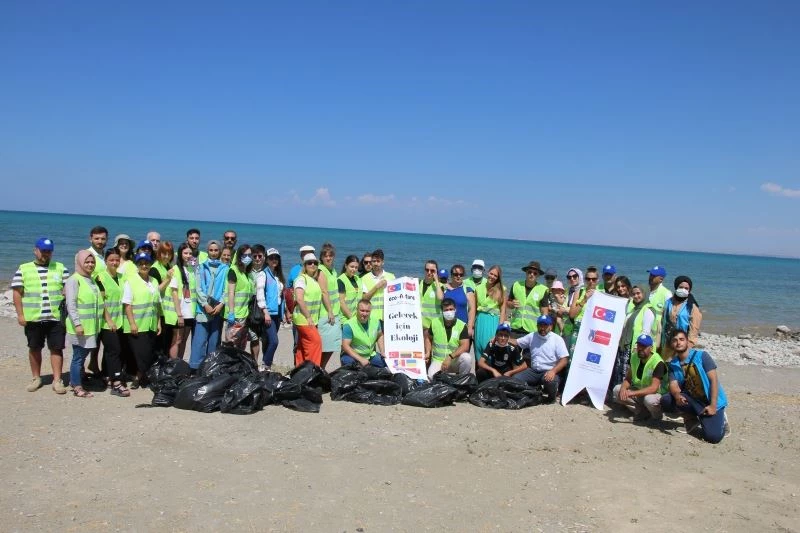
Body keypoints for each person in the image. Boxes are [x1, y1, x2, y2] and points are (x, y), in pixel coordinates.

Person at [12, 237, 68, 394]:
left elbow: (67, 290)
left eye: (49, 251)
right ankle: (36, 378)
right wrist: (20, 315)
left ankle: (57, 380)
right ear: (35, 250)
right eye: (43, 251)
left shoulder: (60, 268)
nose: (46, 254)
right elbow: (17, 293)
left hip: (56, 318)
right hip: (33, 318)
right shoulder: (24, 268)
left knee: (56, 348)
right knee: (34, 348)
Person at [661, 331, 730, 443]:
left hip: (710, 401)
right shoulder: (673, 364)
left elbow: (714, 381)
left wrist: (713, 406)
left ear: (687, 341)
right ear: (672, 344)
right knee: (666, 401)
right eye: (675, 340)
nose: (678, 342)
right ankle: (691, 419)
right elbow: (673, 384)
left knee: (713, 437)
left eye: (681, 339)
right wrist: (677, 396)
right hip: (692, 399)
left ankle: (722, 420)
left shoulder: (702, 356)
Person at [65, 250, 103, 398]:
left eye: (92, 262)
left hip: (91, 326)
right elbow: (71, 304)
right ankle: (76, 385)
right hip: (80, 327)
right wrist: (77, 324)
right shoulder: (74, 280)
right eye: (87, 262)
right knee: (78, 357)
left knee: (83, 355)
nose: (90, 265)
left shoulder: (90, 279)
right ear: (80, 263)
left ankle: (79, 379)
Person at [122, 251, 161, 387]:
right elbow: (127, 305)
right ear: (137, 265)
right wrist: (132, 323)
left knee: (149, 353)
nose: (144, 266)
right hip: (137, 324)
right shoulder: (131, 281)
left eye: (147, 263)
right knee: (141, 354)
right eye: (141, 264)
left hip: (151, 324)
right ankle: (138, 377)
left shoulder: (154, 281)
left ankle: (142, 377)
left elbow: (157, 304)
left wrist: (158, 323)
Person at [94, 248, 130, 396]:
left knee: (113, 350)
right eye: (111, 260)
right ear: (105, 261)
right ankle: (116, 382)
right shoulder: (100, 278)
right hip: (106, 322)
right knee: (114, 350)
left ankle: (106, 375)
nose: (114, 263)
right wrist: (108, 320)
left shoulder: (122, 277)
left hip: (121, 321)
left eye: (117, 260)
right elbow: (100, 301)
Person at [510, 315, 569, 403]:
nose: (542, 328)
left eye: (545, 325)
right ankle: (534, 390)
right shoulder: (532, 336)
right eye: (540, 325)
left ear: (550, 326)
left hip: (548, 371)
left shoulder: (557, 339)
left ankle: (551, 398)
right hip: (533, 371)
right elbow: (517, 342)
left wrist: (553, 371)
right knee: (515, 379)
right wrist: (500, 339)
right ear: (537, 326)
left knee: (550, 381)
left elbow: (564, 360)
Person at [189, 241, 228, 371]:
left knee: (214, 340)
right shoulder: (200, 267)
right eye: (211, 250)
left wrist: (221, 304)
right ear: (207, 251)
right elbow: (198, 288)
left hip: (217, 308)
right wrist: (205, 304)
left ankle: (211, 367)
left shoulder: (225, 268)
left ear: (219, 251)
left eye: (216, 250)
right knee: (199, 341)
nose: (213, 253)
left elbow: (226, 289)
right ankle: (195, 368)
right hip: (203, 309)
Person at [613, 281, 657, 391]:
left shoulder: (648, 310)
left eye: (638, 293)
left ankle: (625, 395)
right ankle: (618, 394)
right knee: (620, 372)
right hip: (625, 346)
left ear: (644, 293)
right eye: (633, 294)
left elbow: (645, 332)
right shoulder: (634, 309)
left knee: (628, 374)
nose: (636, 296)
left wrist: (638, 349)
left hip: (635, 348)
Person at [612, 334, 667, 421]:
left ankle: (657, 417)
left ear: (651, 348)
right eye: (639, 345)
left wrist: (631, 393)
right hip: (640, 390)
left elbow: (654, 388)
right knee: (617, 390)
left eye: (644, 346)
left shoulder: (658, 362)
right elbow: (628, 378)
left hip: (656, 394)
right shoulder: (634, 357)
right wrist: (623, 389)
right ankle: (641, 412)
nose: (640, 348)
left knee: (649, 400)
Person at [255, 246, 286, 371]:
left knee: (268, 341)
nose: (274, 260)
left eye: (276, 258)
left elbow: (281, 296)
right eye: (271, 258)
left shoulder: (278, 275)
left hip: (277, 313)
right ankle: (265, 365)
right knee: (274, 341)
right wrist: (265, 312)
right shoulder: (263, 274)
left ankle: (267, 366)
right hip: (268, 313)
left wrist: (285, 312)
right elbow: (260, 294)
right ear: (267, 260)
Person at [424, 298, 472, 378]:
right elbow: (428, 338)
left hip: (454, 360)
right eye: (446, 310)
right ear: (442, 311)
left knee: (467, 358)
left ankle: (462, 380)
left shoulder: (462, 325)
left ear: (455, 310)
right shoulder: (435, 323)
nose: (449, 312)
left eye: (451, 309)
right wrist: (428, 352)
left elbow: (465, 346)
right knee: (431, 377)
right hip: (438, 361)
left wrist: (450, 357)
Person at [661, 275, 702, 360]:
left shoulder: (691, 307)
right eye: (681, 287)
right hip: (668, 342)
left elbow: (694, 329)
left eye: (686, 288)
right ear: (676, 287)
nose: (683, 290)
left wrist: (689, 345)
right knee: (665, 364)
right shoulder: (668, 302)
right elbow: (663, 321)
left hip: (682, 344)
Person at [293, 253, 323, 366]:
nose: (313, 265)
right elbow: (299, 299)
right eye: (309, 263)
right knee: (315, 343)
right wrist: (308, 316)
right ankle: (312, 370)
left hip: (311, 320)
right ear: (305, 265)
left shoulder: (313, 280)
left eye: (315, 263)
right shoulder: (301, 279)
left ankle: (299, 369)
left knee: (302, 347)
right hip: (304, 319)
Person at [316, 242, 342, 369]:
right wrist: (330, 311)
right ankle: (320, 368)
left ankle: (321, 368)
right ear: (321, 257)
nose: (328, 258)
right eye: (325, 256)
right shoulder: (321, 270)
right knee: (326, 346)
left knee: (332, 345)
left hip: (336, 312)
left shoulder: (333, 271)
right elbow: (324, 292)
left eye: (330, 256)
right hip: (326, 313)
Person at [508, 261, 550, 338]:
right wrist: (511, 304)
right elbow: (508, 303)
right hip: (515, 328)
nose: (532, 274)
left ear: (538, 275)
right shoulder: (516, 285)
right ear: (526, 272)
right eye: (529, 272)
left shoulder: (543, 290)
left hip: (532, 331)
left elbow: (544, 312)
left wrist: (544, 329)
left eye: (535, 273)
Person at [340, 299, 386, 367]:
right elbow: (345, 346)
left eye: (367, 311)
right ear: (357, 310)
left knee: (386, 363)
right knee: (349, 364)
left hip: (370, 355)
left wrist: (382, 351)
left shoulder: (376, 321)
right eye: (362, 310)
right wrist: (361, 359)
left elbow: (380, 335)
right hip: (352, 356)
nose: (365, 314)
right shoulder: (349, 325)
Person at [473, 265, 506, 358]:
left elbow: (503, 311)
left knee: (490, 348)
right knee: (478, 347)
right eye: (491, 273)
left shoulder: (502, 289)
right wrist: (472, 325)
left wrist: (500, 330)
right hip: (480, 321)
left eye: (495, 276)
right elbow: (474, 309)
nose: (492, 277)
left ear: (498, 278)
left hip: (492, 321)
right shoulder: (478, 288)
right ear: (488, 272)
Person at [225, 244, 254, 351]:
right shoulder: (233, 270)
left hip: (245, 314)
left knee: (241, 344)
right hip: (236, 315)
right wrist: (231, 312)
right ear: (239, 256)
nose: (247, 258)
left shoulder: (247, 273)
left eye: (249, 255)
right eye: (244, 255)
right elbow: (230, 292)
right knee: (232, 342)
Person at [170, 243, 197, 359]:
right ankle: (173, 364)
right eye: (185, 253)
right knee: (177, 340)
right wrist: (179, 314)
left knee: (184, 340)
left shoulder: (191, 269)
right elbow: (174, 293)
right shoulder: (175, 269)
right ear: (180, 254)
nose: (188, 255)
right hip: (180, 311)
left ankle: (180, 363)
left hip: (190, 311)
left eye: (190, 253)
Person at [151, 241, 178, 355]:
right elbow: (154, 291)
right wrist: (167, 279)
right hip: (159, 312)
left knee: (167, 342)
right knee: (159, 344)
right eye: (164, 253)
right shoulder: (155, 268)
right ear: (159, 253)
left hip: (167, 311)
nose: (166, 256)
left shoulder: (168, 266)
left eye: (169, 254)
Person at [567, 266, 599, 355]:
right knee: (573, 356)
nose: (591, 281)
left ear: (598, 280)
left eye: (594, 279)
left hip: (592, 329)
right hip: (578, 328)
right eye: (588, 279)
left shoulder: (601, 294)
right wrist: (584, 299)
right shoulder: (579, 292)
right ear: (585, 280)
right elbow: (572, 315)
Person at [442, 264, 476, 340]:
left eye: (461, 274)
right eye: (456, 274)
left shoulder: (467, 290)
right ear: (451, 275)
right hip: (445, 326)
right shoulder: (444, 288)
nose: (458, 276)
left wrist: (470, 327)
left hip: (462, 327)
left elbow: (472, 310)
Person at [361, 249, 395, 322]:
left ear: (383, 262)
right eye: (374, 261)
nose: (376, 263)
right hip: (371, 318)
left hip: (388, 317)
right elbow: (364, 299)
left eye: (378, 261)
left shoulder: (391, 277)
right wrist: (376, 287)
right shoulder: (364, 278)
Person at [419, 260, 444, 329]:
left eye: (432, 271)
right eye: (427, 270)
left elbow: (440, 297)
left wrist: (436, 280)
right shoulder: (418, 283)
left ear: (436, 272)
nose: (429, 272)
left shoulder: (440, 286)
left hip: (433, 324)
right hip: (419, 324)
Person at [337, 255, 362, 322]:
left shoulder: (358, 279)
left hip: (356, 318)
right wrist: (352, 319)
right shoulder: (341, 280)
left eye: (356, 267)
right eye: (352, 267)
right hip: (345, 319)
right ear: (346, 266)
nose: (354, 269)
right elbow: (341, 302)